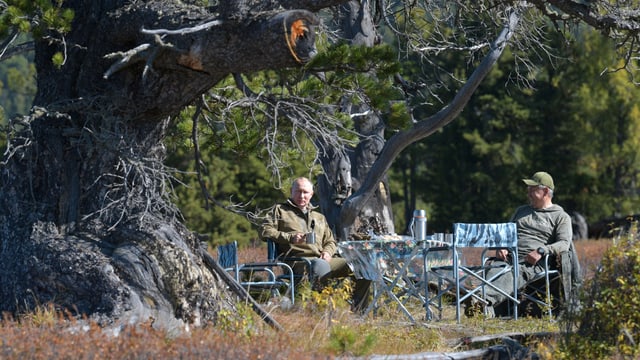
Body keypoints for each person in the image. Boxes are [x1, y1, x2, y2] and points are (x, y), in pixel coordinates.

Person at [466, 171, 575, 317]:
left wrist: (542, 251)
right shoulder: (521, 211)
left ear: (545, 191)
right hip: (510, 256)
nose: (528, 193)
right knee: (496, 268)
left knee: (515, 272)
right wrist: (502, 246)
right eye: (528, 189)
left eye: (532, 189)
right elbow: (505, 234)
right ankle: (484, 307)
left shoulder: (560, 216)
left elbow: (564, 243)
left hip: (535, 261)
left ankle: (480, 300)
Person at [260, 177, 371, 312]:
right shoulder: (280, 211)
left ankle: (359, 312)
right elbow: (264, 231)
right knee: (320, 265)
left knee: (363, 265)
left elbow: (330, 241)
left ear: (311, 194)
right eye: (298, 191)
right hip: (297, 261)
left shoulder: (319, 217)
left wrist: (328, 252)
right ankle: (319, 311)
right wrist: (290, 238)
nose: (301, 196)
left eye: (305, 192)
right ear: (291, 192)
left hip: (322, 259)